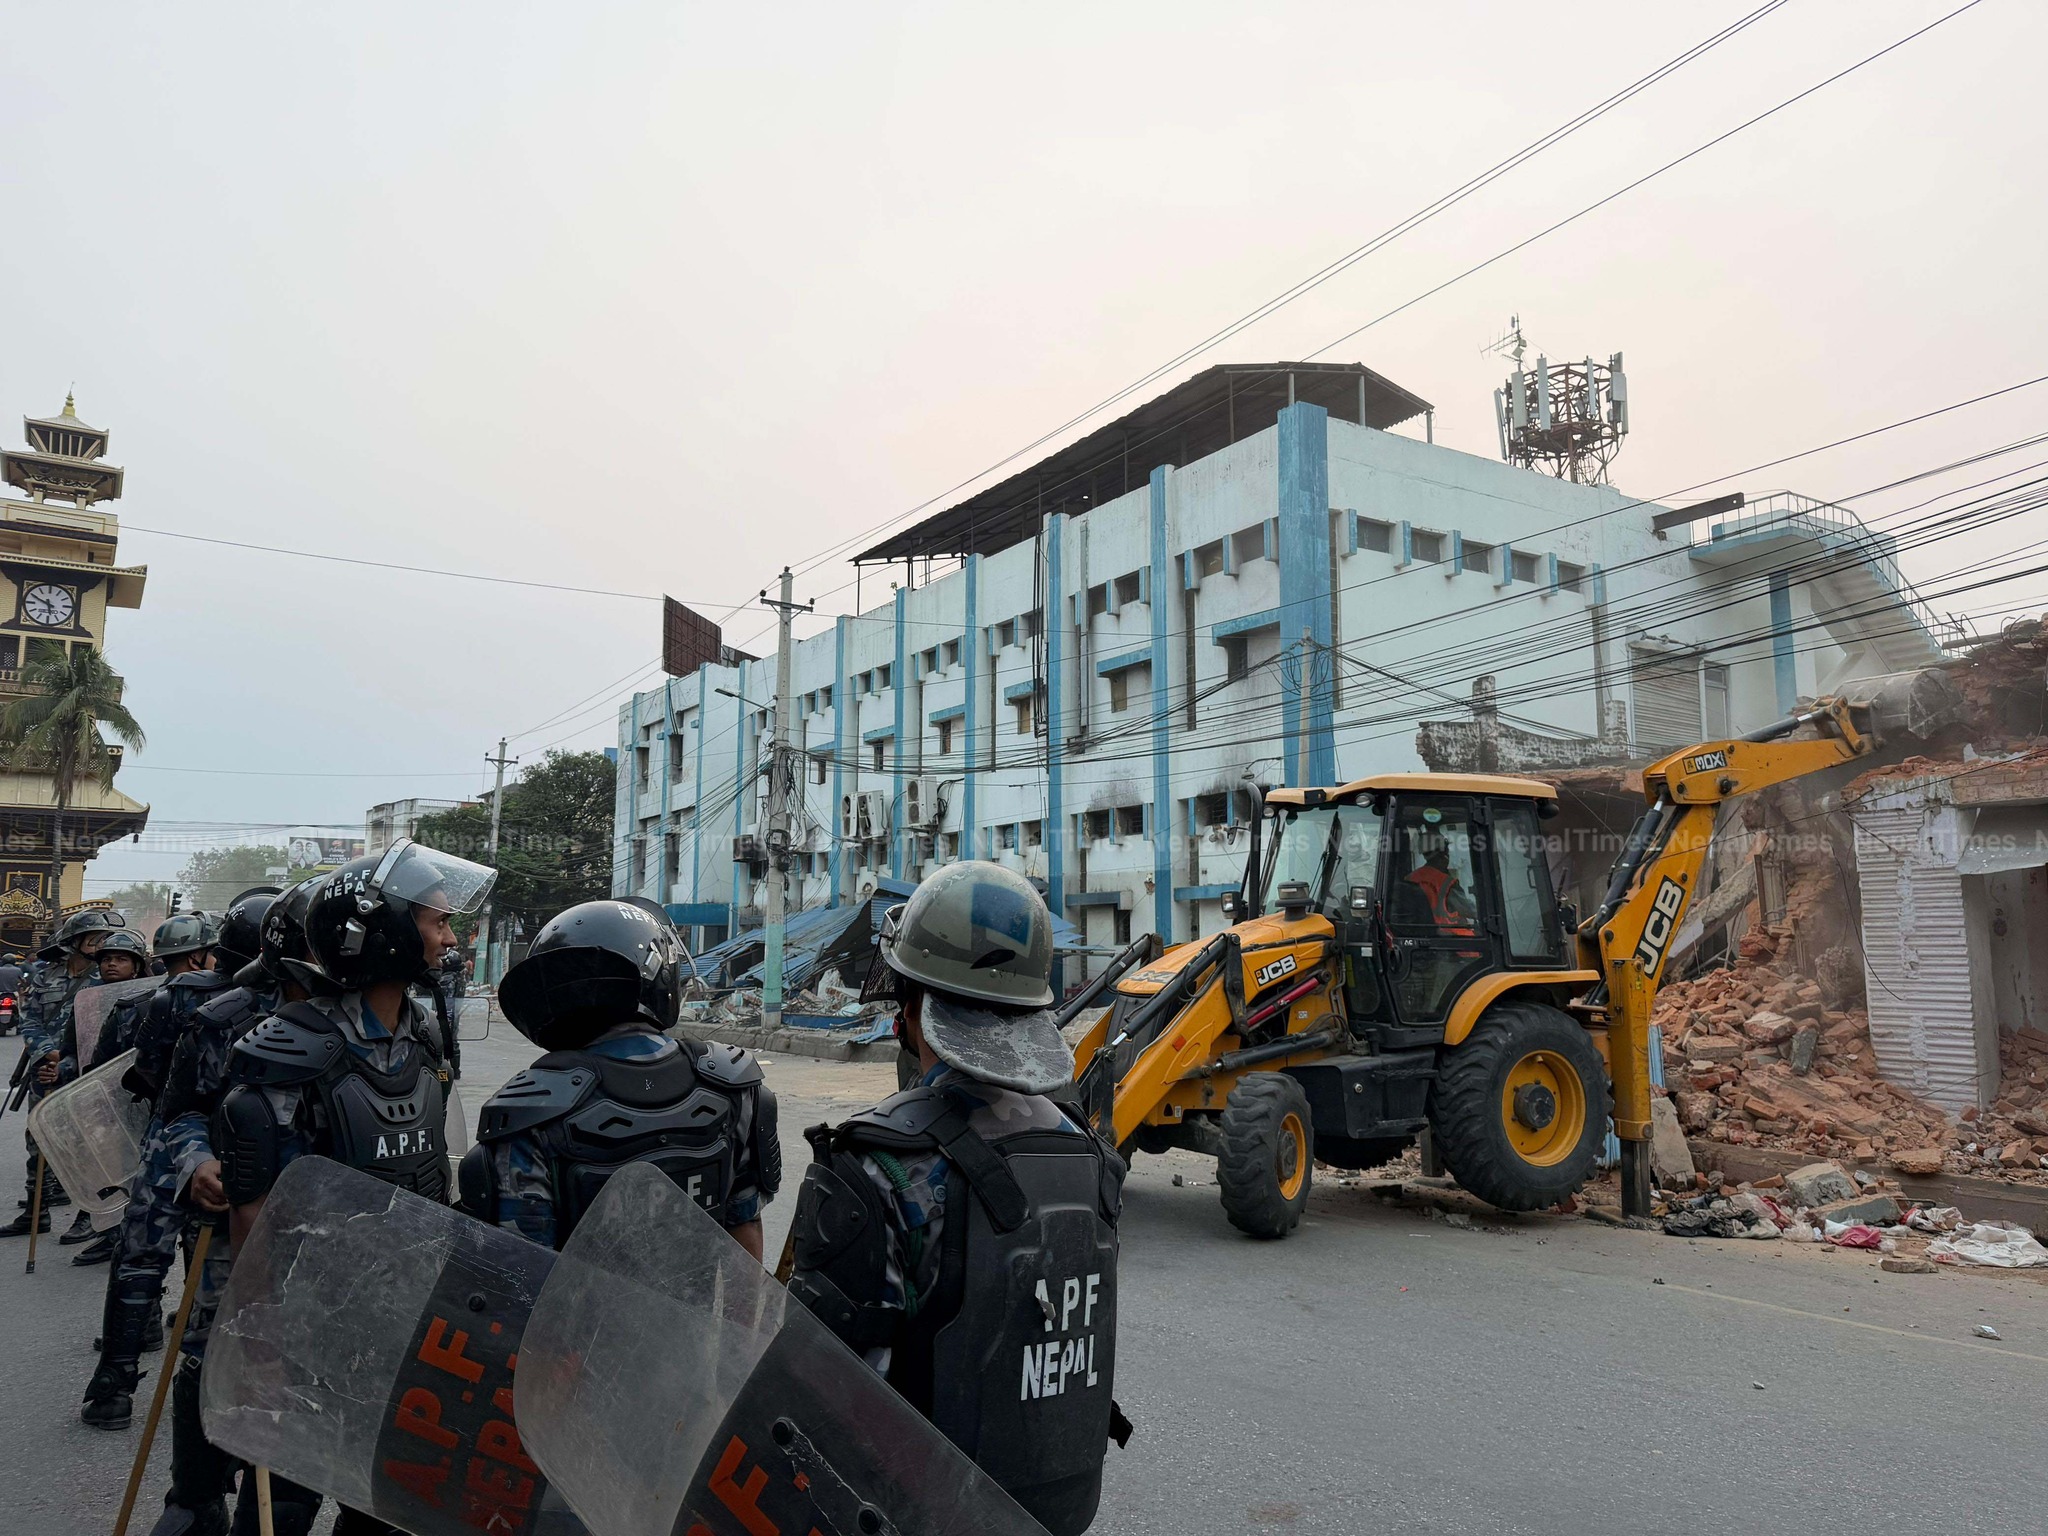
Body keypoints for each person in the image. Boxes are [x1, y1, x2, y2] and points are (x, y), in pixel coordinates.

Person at [786, 861, 1126, 1536]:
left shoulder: (872, 1164)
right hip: (1053, 1513)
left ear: (911, 1009)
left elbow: (811, 1395)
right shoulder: (1089, 1156)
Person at [214, 841, 493, 1536]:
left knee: (384, 1498)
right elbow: (256, 1213)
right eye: (437, 923)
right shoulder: (293, 1048)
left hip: (406, 1311)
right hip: (313, 1314)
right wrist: (260, 1345)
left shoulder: (421, 1032)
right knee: (286, 1496)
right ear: (388, 932)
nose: (450, 939)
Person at [459, 898, 778, 1256]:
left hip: (575, 1296)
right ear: (660, 975)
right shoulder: (731, 1084)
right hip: (699, 1295)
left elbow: (523, 1262)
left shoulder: (530, 1110)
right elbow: (744, 1226)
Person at [77, 908, 240, 1423]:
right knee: (208, 1255)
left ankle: (114, 1386)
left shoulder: (144, 1005)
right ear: (202, 953)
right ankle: (199, 1381)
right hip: (230, 1149)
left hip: (164, 1140)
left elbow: (121, 1075)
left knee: (139, 1257)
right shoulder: (266, 1004)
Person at [2, 907, 123, 1238]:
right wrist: (47, 1052)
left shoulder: (107, 978)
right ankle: (35, 1212)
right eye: (93, 939)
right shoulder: (46, 976)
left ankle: (89, 1215)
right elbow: (30, 1019)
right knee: (39, 1141)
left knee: (87, 1146)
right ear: (74, 941)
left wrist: (70, 1058)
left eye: (103, 939)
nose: (101, 945)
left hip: (86, 1074)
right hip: (45, 1070)